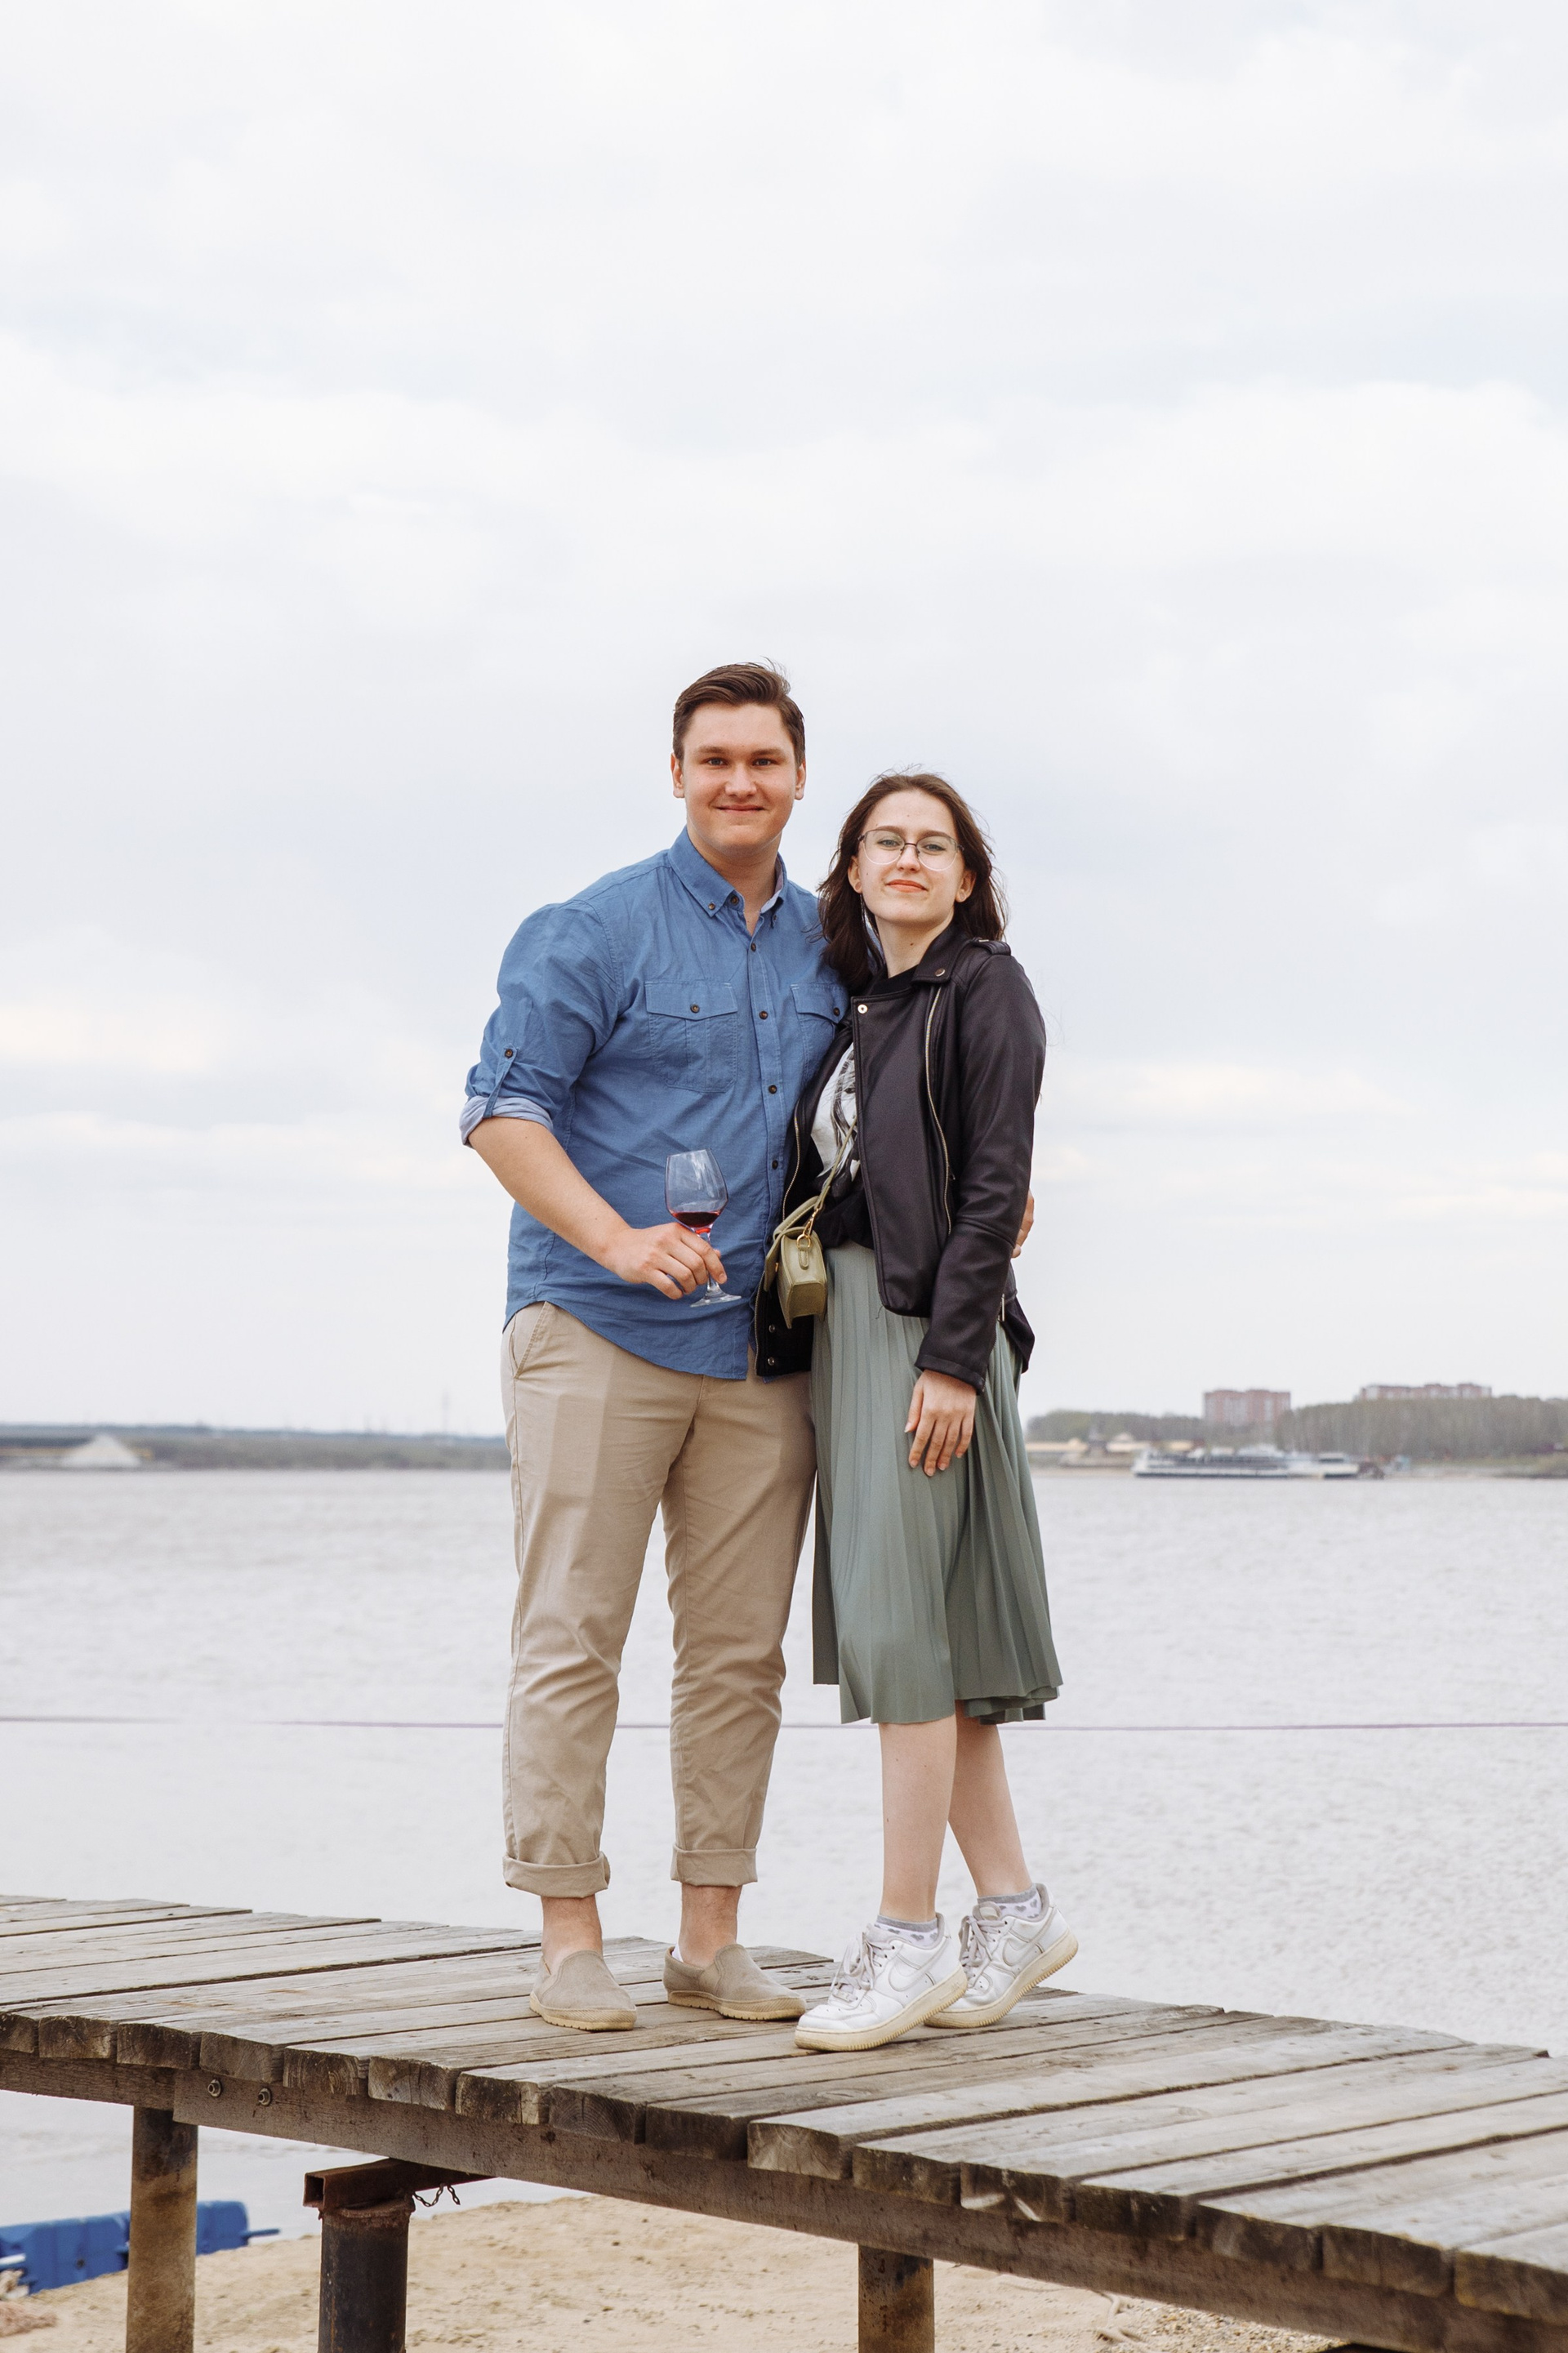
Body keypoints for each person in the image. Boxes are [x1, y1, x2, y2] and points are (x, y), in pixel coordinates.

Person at [461, 662, 844, 2032]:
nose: (740, 781)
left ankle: (707, 1939)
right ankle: (569, 1939)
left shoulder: (836, 943)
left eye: (763, 759)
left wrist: (1000, 1180)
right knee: (573, 1635)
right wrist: (620, 1240)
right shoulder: (590, 929)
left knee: (740, 1655)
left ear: (799, 776)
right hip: (596, 1324)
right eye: (715, 759)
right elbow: (501, 1114)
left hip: (759, 1349)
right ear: (677, 773)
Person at [786, 772, 1073, 2052]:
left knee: (906, 1639)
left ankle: (906, 1937)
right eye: (884, 840)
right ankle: (1013, 1911)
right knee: (929, 1647)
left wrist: (953, 1360)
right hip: (856, 1337)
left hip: (925, 1340)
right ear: (852, 867)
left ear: (966, 876)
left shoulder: (985, 988)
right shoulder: (868, 1006)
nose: (907, 858)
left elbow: (997, 1180)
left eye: (933, 843)